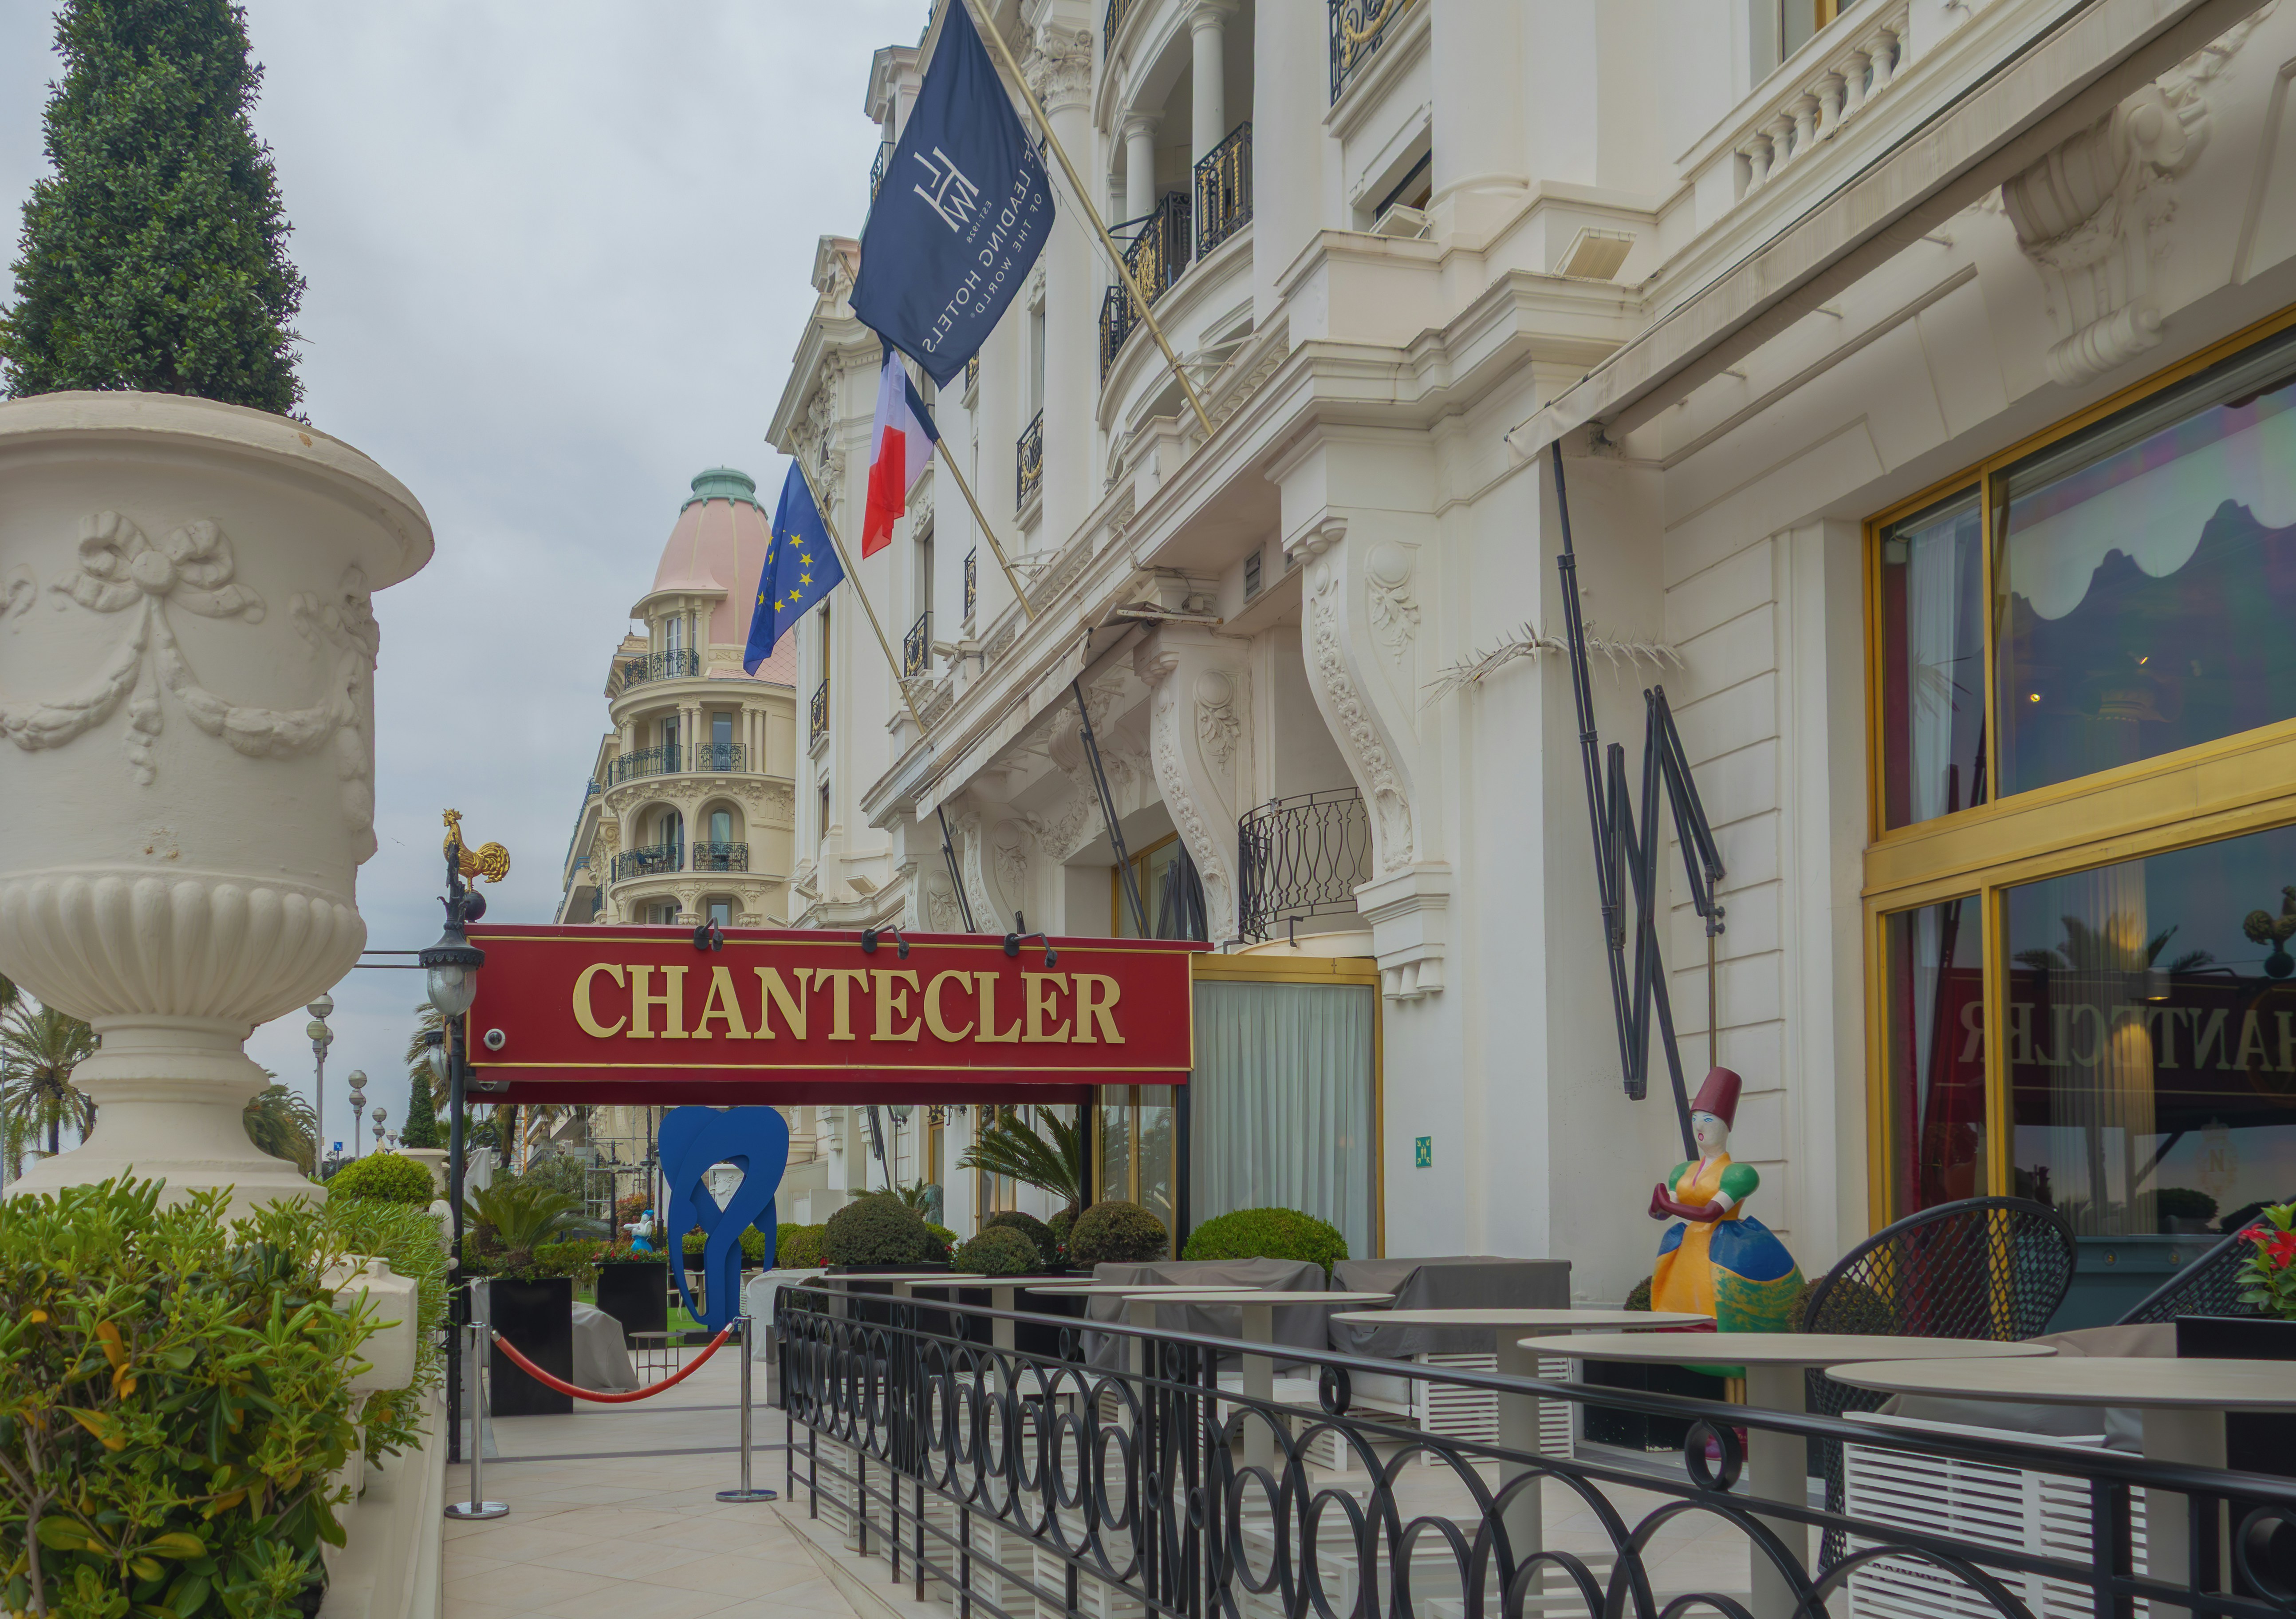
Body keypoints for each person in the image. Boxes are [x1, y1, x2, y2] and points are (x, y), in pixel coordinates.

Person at [1647, 1067, 1803, 1332]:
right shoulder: (1682, 1171)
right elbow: (1660, 1214)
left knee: (1718, 1308)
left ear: (1726, 1127)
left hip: (1721, 1247)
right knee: (1679, 1308)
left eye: (1708, 1120)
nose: (1699, 1126)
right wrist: (1658, 1204)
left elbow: (1710, 1213)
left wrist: (1668, 1204)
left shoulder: (1738, 1174)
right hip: (1687, 1249)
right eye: (1695, 1119)